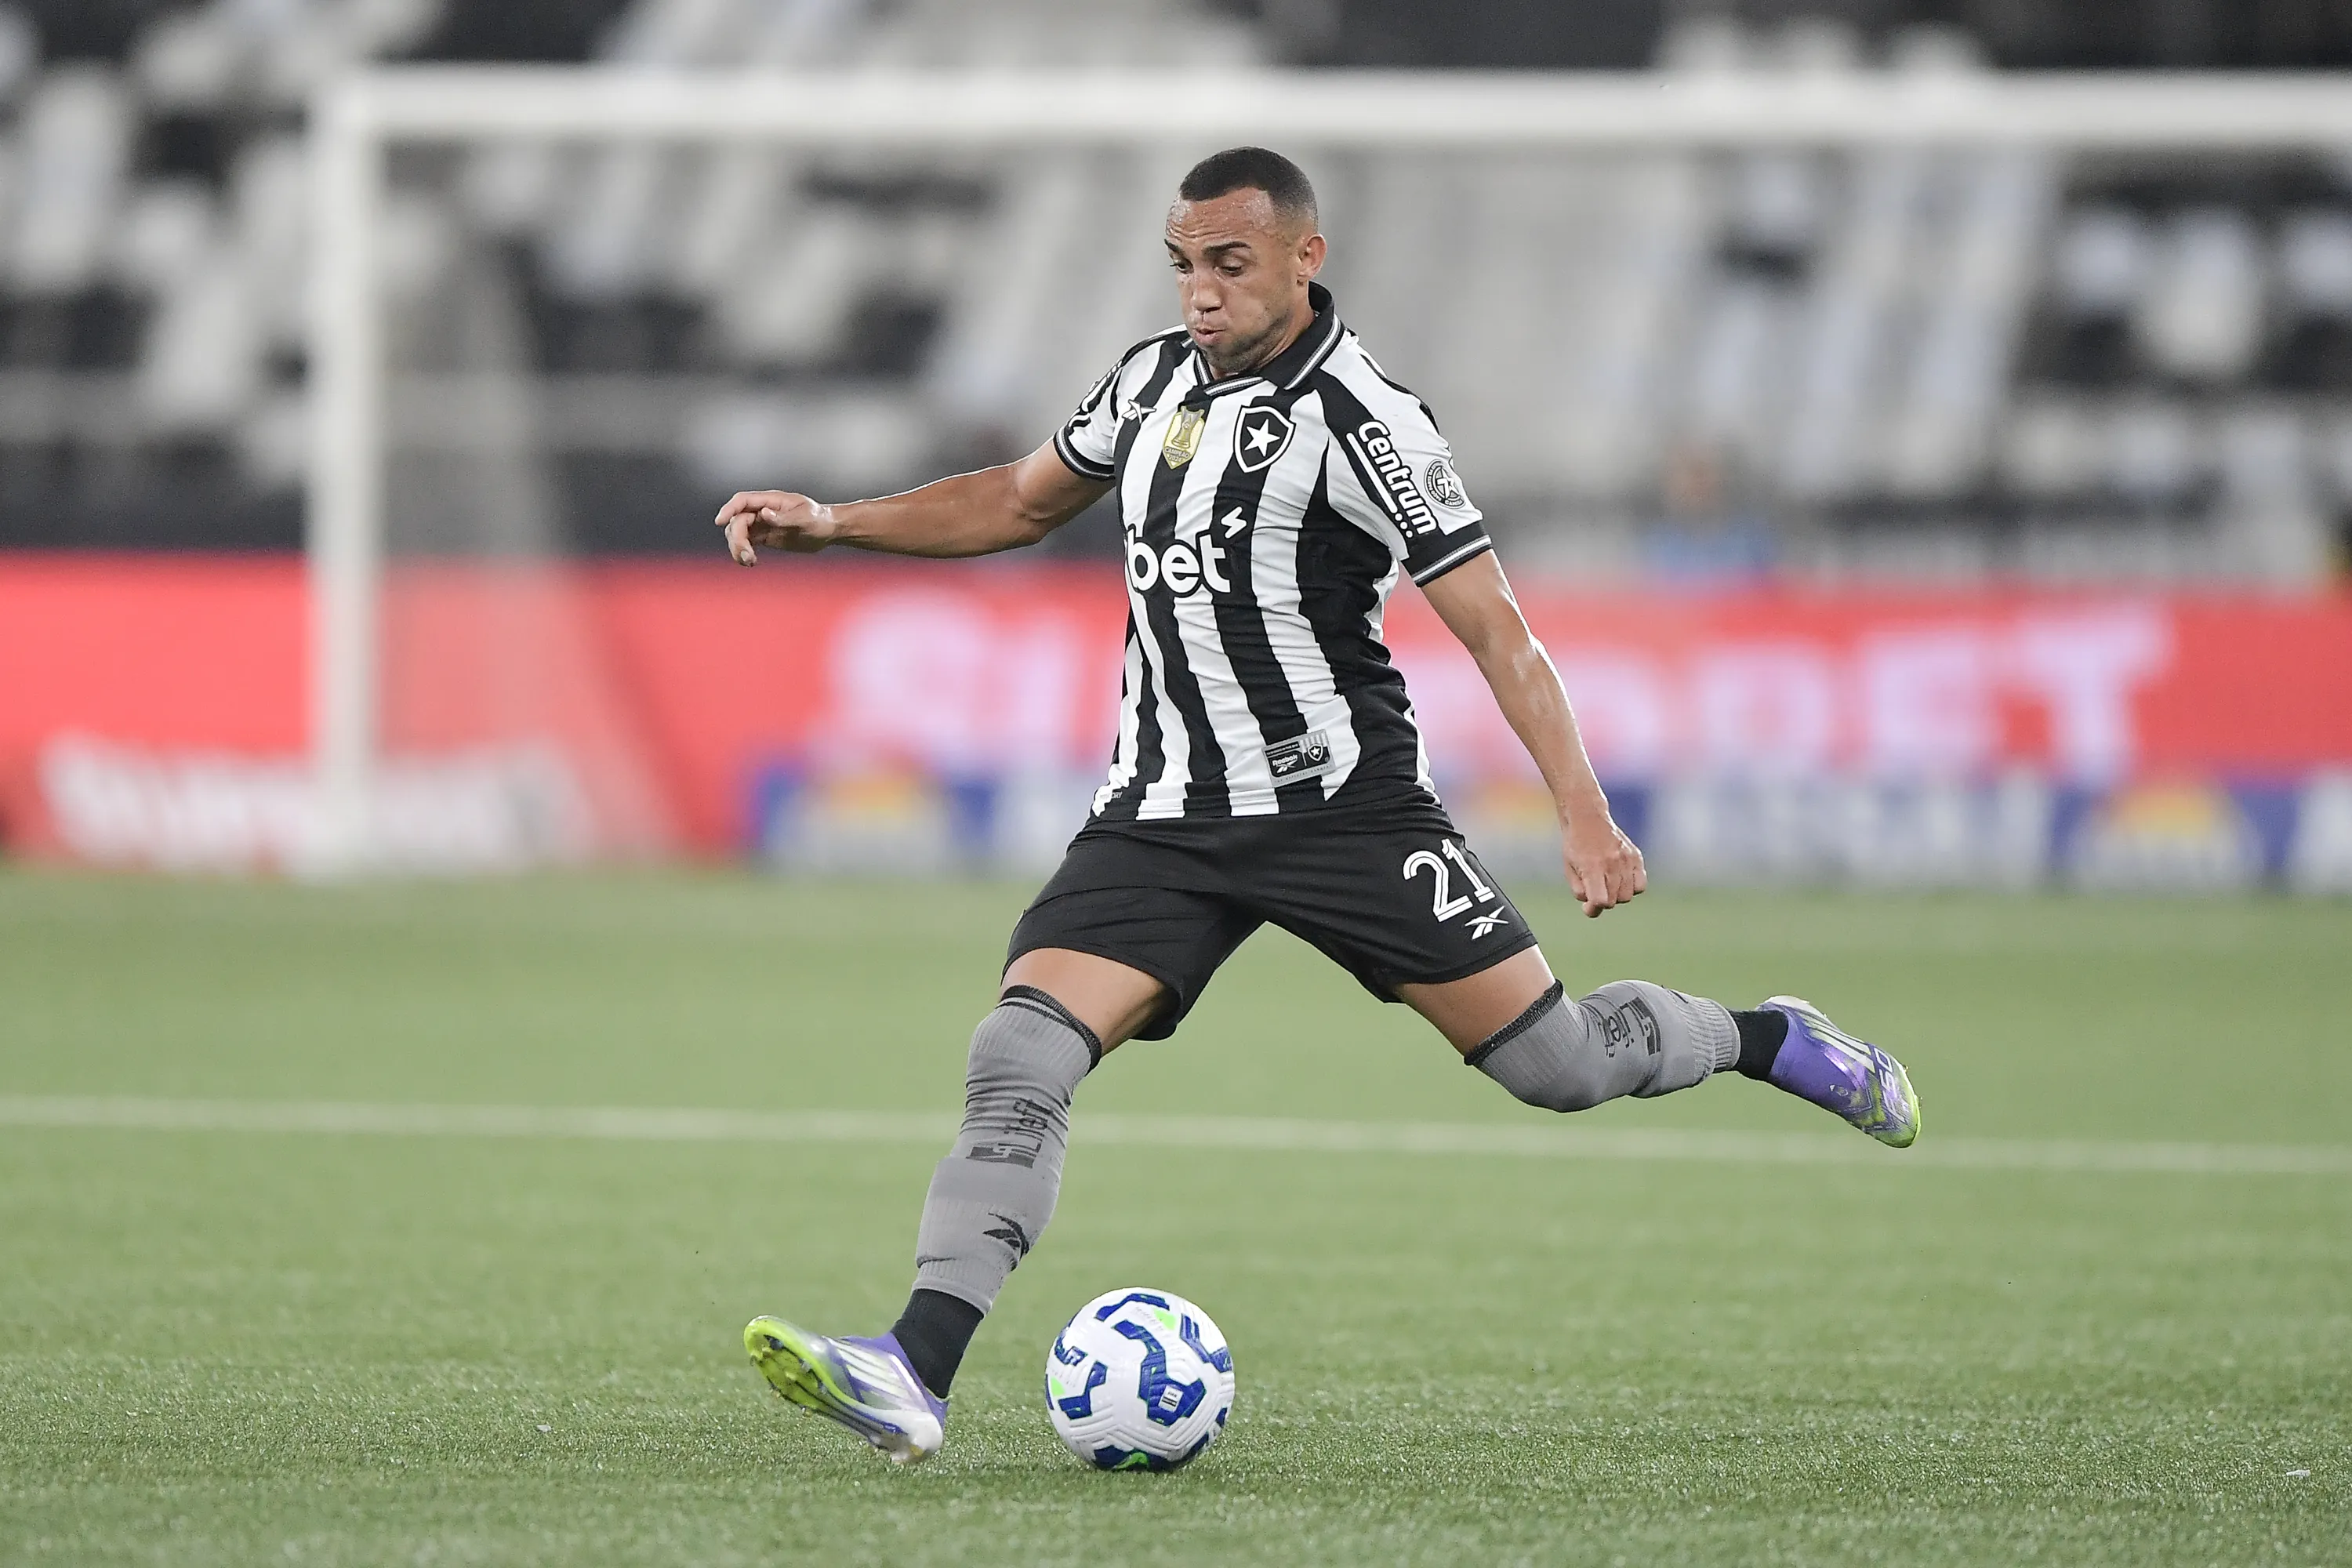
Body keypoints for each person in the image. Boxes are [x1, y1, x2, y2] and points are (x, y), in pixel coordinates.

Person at [714, 147, 1919, 1466]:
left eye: (1229, 264)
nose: (1201, 294)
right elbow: (1012, 500)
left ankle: (1767, 1037)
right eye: (1183, 265)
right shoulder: (1149, 381)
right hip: (1162, 818)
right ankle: (913, 1369)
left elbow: (1499, 631)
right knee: (1018, 1061)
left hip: (1349, 818)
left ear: (1305, 256)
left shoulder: (1368, 420)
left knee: (1557, 1065)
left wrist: (1583, 810)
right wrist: (833, 522)